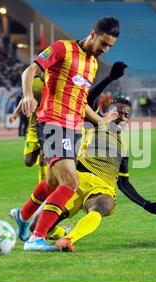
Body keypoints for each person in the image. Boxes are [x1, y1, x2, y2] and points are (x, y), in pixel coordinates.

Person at [9, 17, 122, 251]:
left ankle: (23, 215)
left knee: (52, 181)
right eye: (103, 43)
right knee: (70, 181)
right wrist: (28, 95)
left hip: (73, 129)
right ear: (93, 33)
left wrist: (101, 120)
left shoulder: (93, 65)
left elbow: (81, 102)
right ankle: (37, 237)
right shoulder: (63, 48)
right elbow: (30, 71)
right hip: (52, 123)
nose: (105, 49)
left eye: (109, 46)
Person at [11, 98, 156, 251]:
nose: (122, 118)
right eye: (118, 113)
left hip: (103, 188)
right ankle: (58, 232)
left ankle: (68, 240)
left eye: (126, 115)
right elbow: (86, 101)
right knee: (35, 227)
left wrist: (146, 204)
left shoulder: (123, 148)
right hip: (76, 183)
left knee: (103, 205)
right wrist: (109, 78)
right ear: (106, 113)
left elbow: (124, 183)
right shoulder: (94, 124)